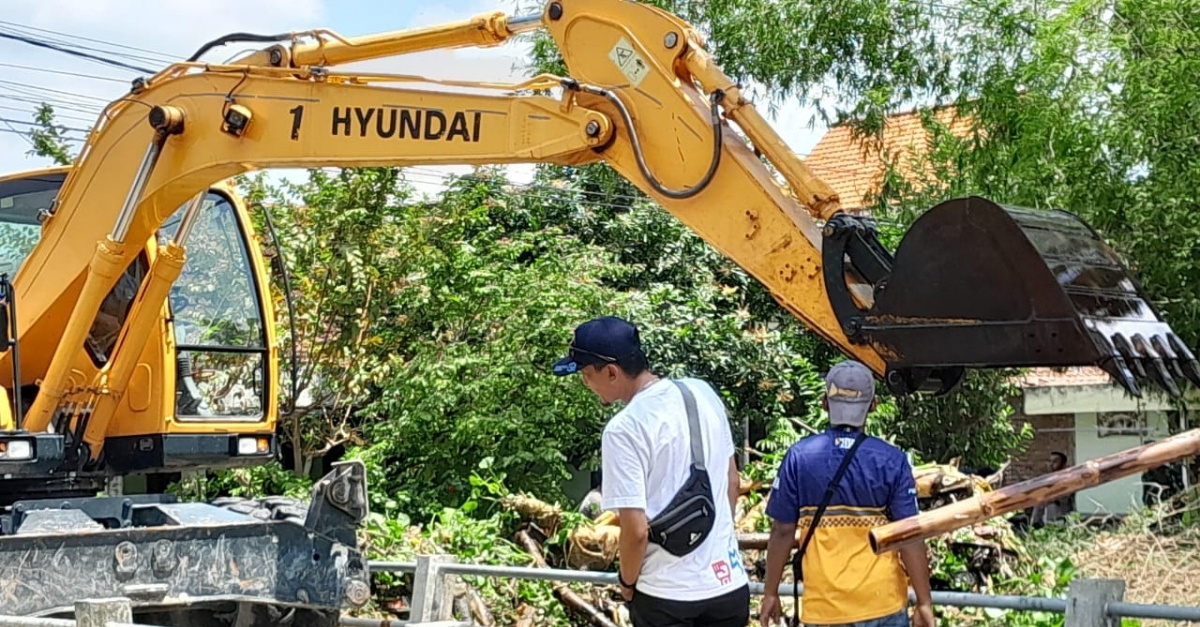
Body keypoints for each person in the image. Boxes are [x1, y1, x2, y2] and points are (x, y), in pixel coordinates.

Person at [552, 315, 750, 627]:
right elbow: (732, 481)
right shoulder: (701, 392)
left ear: (612, 372)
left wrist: (628, 583)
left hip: (666, 596)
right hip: (729, 587)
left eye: (586, 374)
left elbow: (636, 531)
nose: (585, 383)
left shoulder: (623, 429)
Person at [759, 360, 935, 627]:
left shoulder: (799, 457)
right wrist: (924, 602)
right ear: (873, 405)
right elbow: (909, 535)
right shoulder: (892, 460)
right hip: (882, 603)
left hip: (825, 608)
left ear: (825, 403)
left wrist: (770, 592)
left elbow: (782, 531)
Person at [1029, 451, 1072, 527]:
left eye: (1055, 461)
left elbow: (1064, 497)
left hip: (1059, 515)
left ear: (1063, 464)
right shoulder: (1047, 479)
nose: (1051, 464)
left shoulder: (1067, 479)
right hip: (1042, 516)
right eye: (1050, 461)